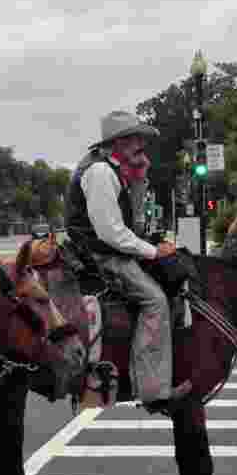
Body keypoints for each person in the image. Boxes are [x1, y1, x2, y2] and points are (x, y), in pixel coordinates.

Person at [65, 111, 193, 411]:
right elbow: (111, 233)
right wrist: (152, 252)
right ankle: (152, 389)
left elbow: (132, 225)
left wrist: (138, 181)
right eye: (135, 139)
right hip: (100, 255)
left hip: (106, 250)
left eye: (141, 139)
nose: (141, 145)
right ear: (119, 143)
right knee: (155, 299)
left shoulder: (114, 171)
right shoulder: (100, 173)